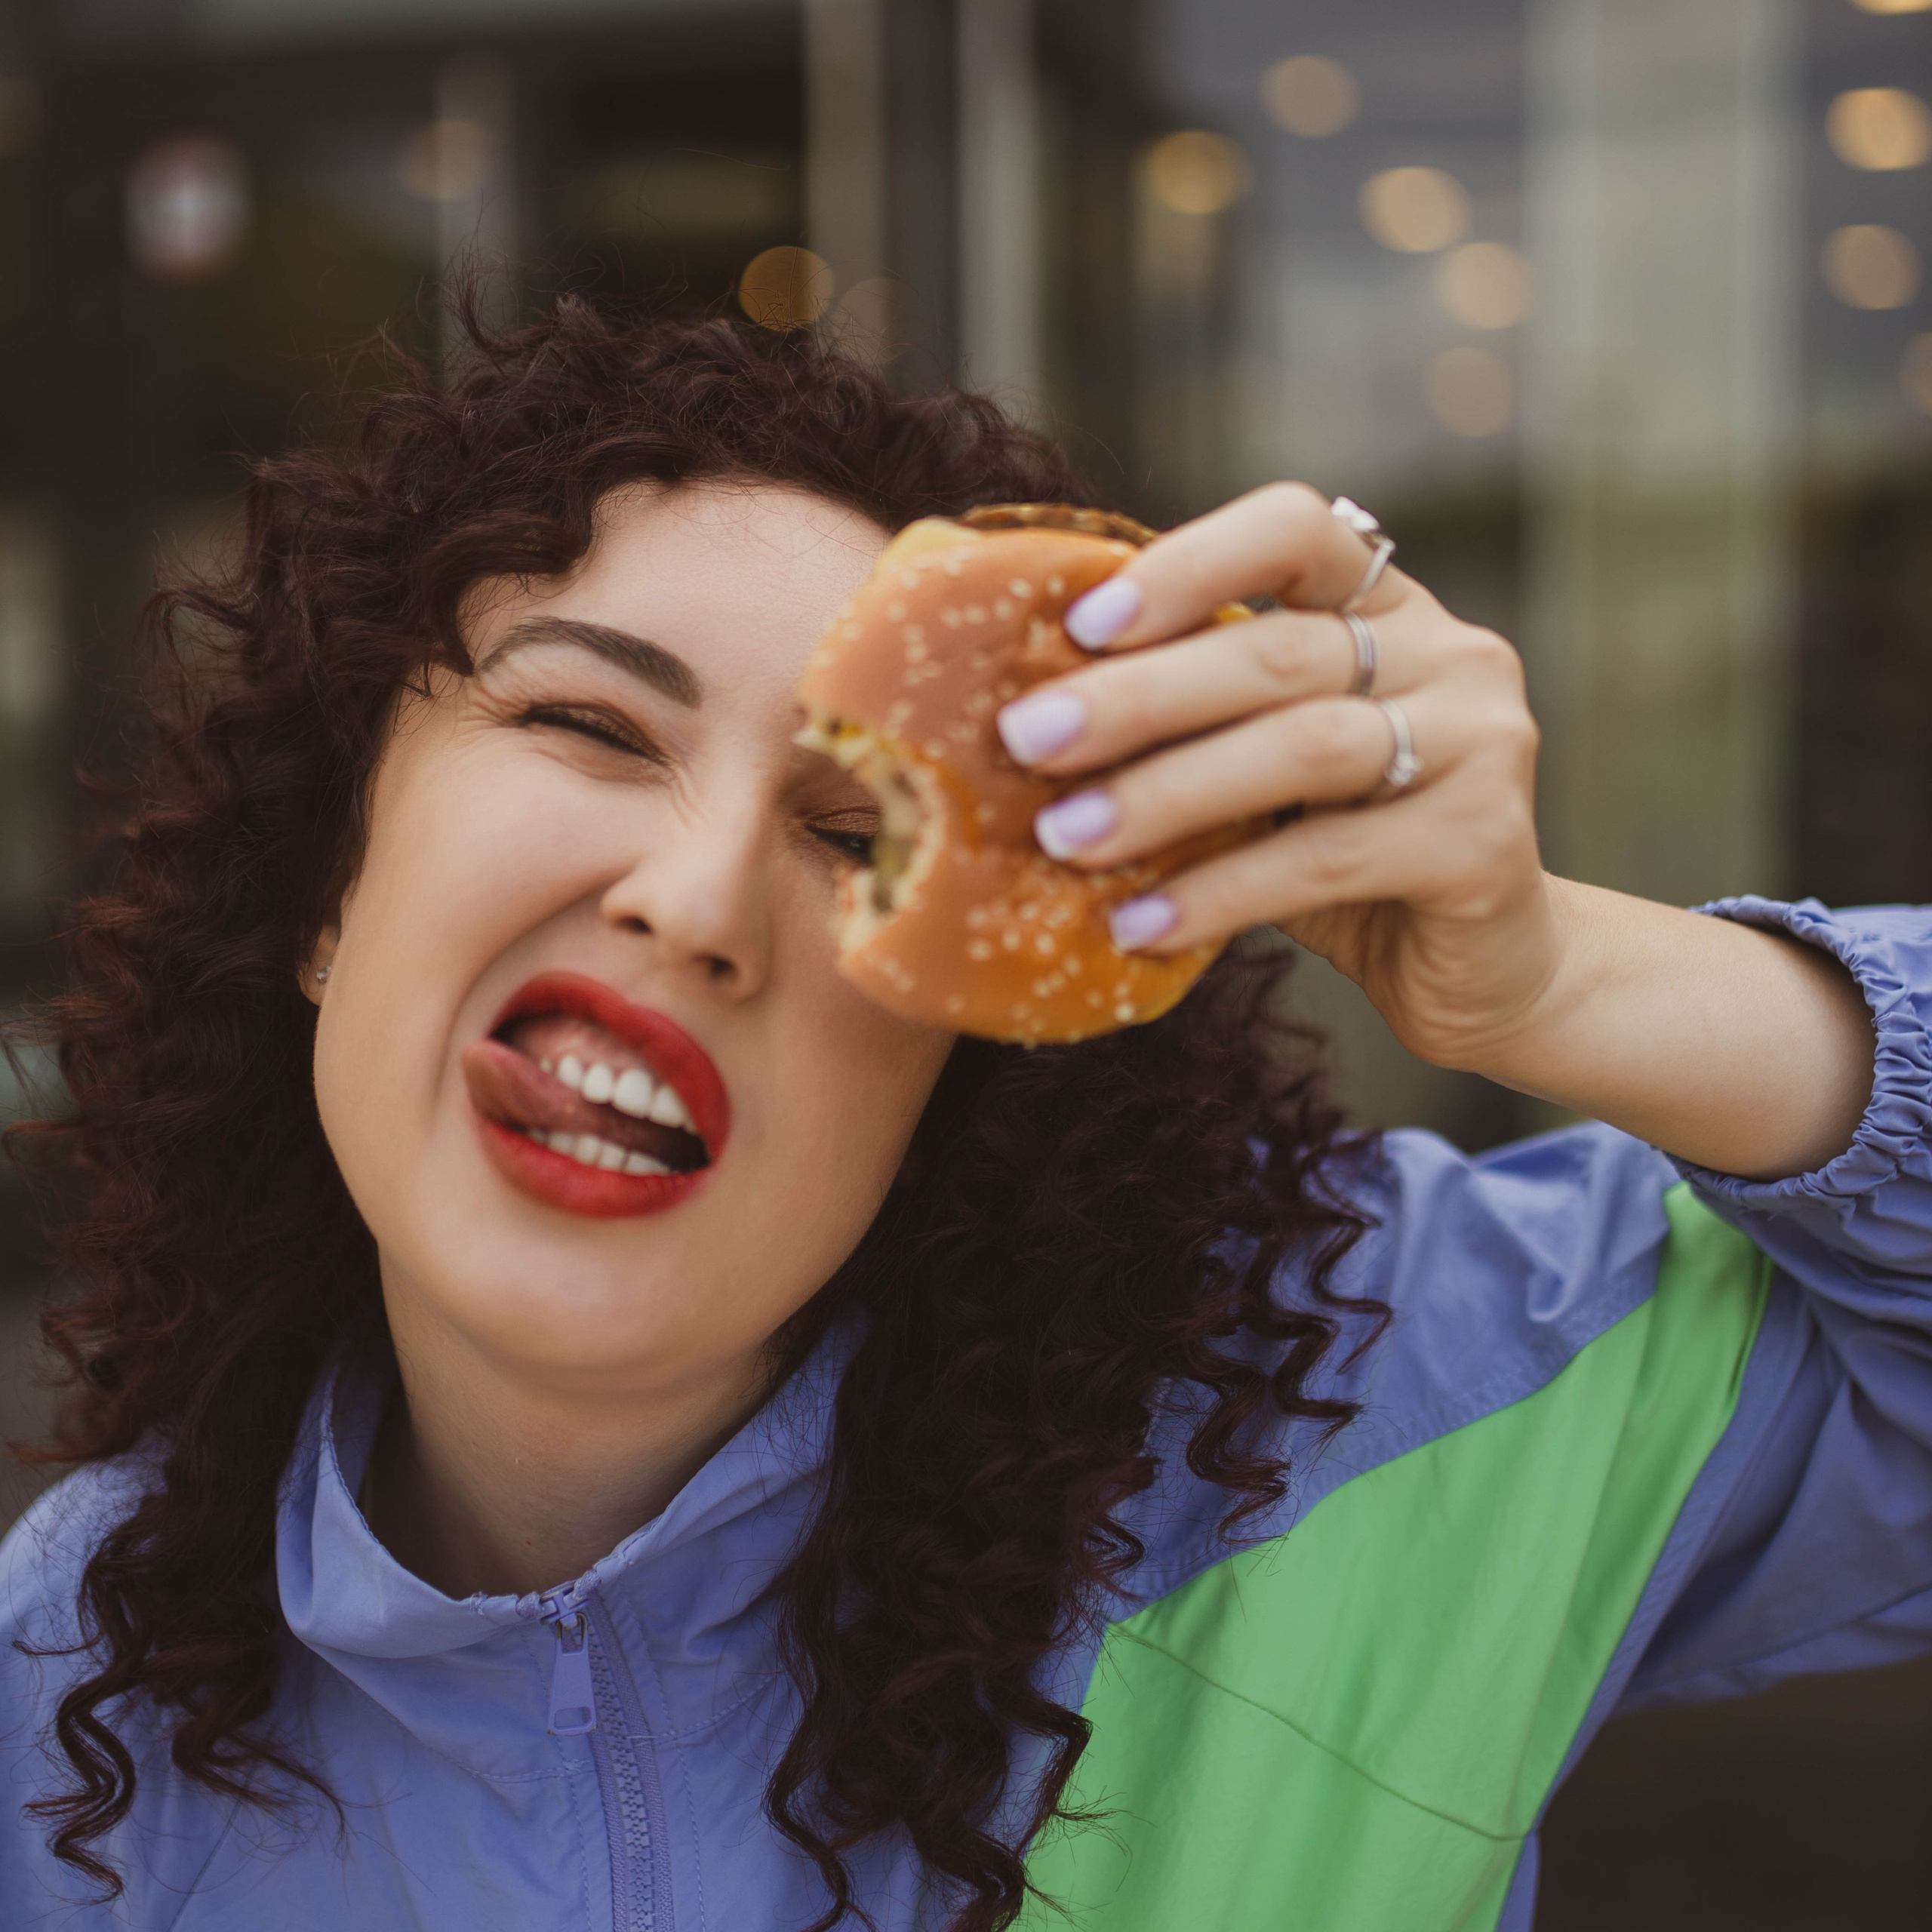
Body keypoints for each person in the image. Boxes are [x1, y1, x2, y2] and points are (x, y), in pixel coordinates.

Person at [1, 297, 1927, 1932]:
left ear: (967, 1043)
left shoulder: (1354, 1406)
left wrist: (1560, 982)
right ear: (327, 888)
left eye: (858, 833)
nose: (694, 898)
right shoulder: (57, 1688)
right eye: (589, 724)